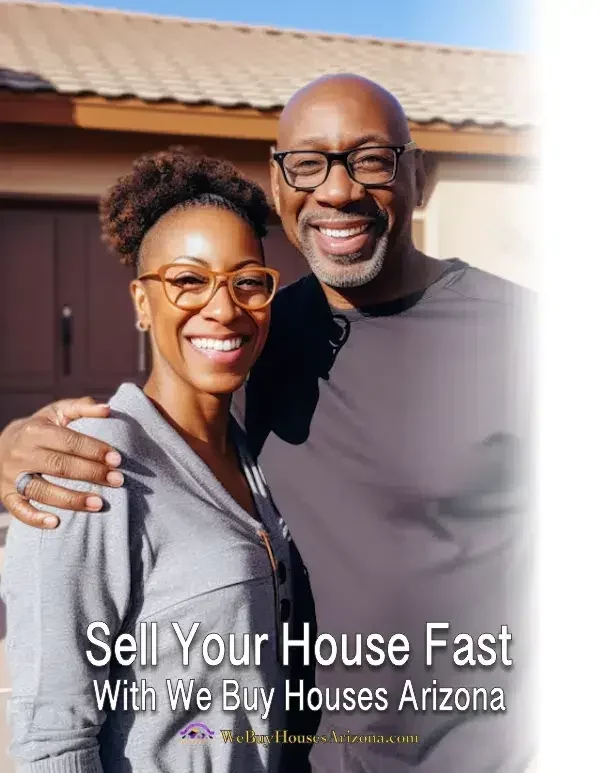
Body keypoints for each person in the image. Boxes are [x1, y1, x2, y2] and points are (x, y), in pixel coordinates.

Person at [0, 74, 534, 772]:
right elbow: (52, 727)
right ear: (280, 186)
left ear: (420, 176)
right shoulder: (251, 347)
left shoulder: (532, 336)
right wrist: (11, 446)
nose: (337, 190)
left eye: (371, 159)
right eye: (308, 164)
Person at [0, 149, 301, 773]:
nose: (223, 307)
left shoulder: (252, 459)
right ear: (142, 302)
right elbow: (52, 737)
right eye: (188, 280)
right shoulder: (89, 466)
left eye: (247, 280)